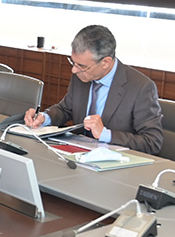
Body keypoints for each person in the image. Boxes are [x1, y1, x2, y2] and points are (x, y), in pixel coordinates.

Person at [24, 25, 163, 154]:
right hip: (76, 156)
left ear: (105, 62)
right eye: (73, 62)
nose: (74, 70)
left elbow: (152, 142)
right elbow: (65, 109)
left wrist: (105, 134)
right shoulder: (81, 75)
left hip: (116, 163)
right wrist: (44, 117)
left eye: (81, 66)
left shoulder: (141, 87)